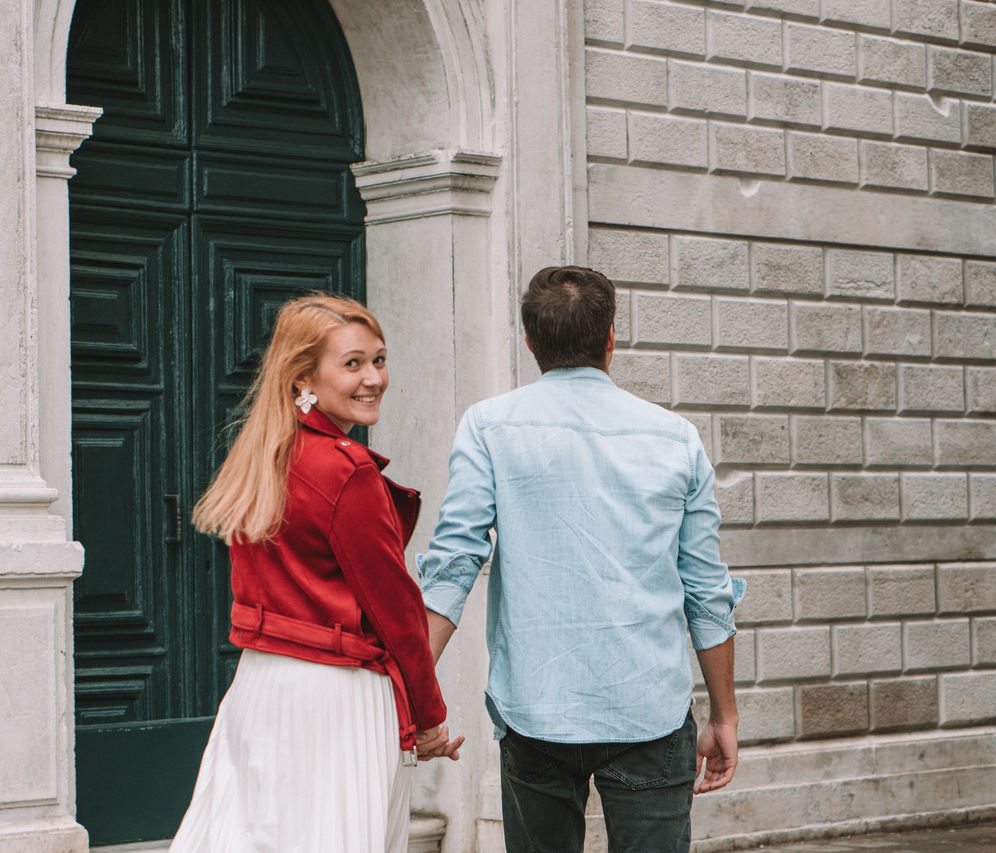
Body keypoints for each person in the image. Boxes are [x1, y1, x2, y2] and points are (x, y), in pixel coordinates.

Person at [416, 266, 745, 852]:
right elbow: (706, 591)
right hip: (650, 709)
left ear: (530, 342)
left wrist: (412, 692)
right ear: (611, 337)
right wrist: (725, 717)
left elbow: (453, 564)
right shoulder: (675, 438)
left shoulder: (488, 427)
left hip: (536, 707)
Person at [172, 293, 461, 853]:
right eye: (352, 363)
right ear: (303, 375)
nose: (373, 378)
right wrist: (427, 718)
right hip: (337, 694)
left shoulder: (262, 455)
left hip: (262, 684)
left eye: (378, 359)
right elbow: (395, 609)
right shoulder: (345, 470)